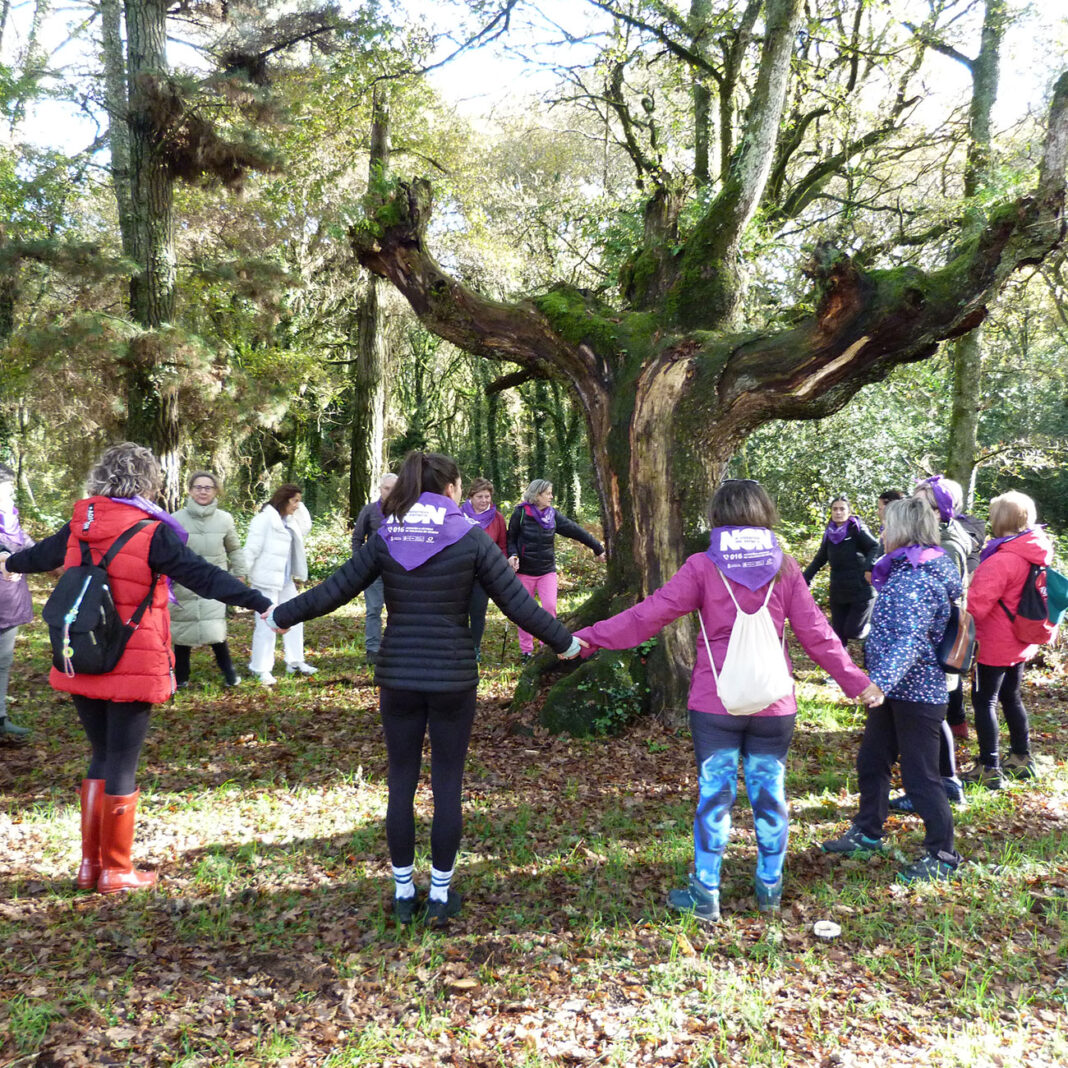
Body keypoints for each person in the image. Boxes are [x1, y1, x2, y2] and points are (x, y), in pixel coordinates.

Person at [266, 451, 581, 926]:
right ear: (451, 488)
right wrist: (569, 644)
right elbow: (519, 605)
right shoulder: (471, 538)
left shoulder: (388, 536)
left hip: (398, 677)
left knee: (401, 782)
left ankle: (400, 894)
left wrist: (281, 615)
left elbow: (337, 588)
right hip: (453, 677)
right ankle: (438, 895)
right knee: (447, 783)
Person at [572, 479, 882, 922]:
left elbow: (647, 616)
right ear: (763, 514)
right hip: (774, 704)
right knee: (770, 793)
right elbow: (817, 635)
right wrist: (857, 683)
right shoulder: (786, 567)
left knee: (715, 797)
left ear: (719, 517)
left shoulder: (703, 566)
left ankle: (706, 891)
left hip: (714, 703)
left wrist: (586, 639)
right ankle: (770, 887)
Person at [0, 443, 271, 893]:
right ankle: (117, 870)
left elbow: (36, 557)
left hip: (81, 652)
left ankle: (91, 866)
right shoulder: (151, 531)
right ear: (148, 483)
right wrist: (259, 601)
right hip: (132, 655)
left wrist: (7, 562)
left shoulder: (80, 524)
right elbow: (201, 575)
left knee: (100, 754)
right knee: (122, 760)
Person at [823, 496, 963, 883]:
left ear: (902, 530)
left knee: (921, 777)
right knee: (872, 761)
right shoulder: (906, 569)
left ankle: (943, 854)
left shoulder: (917, 578)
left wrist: (879, 683)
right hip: (894, 689)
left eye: (887, 526)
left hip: (916, 694)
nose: (881, 533)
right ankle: (868, 831)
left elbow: (911, 640)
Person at [959, 491, 1053, 788]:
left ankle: (989, 766)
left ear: (1000, 520)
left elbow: (977, 606)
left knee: (984, 700)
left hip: (994, 642)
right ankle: (1022, 758)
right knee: (1011, 697)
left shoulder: (1002, 559)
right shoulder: (1033, 551)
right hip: (1021, 638)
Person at [507, 479, 605, 660]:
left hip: (546, 570)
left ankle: (547, 647)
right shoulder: (520, 513)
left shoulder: (552, 515)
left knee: (550, 607)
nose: (551, 496)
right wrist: (513, 555)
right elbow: (510, 539)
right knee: (524, 612)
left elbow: (576, 531)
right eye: (548, 493)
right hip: (524, 572)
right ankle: (526, 651)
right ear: (537, 495)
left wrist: (597, 548)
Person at [170, 470, 246, 688]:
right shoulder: (175, 519)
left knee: (216, 631)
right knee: (183, 633)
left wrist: (239, 573)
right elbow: (169, 553)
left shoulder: (224, 519)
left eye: (208, 487)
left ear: (216, 491)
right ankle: (181, 678)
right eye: (198, 487)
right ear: (190, 490)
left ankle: (230, 676)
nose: (203, 491)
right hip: (184, 583)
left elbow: (234, 549)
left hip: (215, 582)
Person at [245, 483, 315, 685]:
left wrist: (299, 505)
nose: (297, 506)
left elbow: (306, 526)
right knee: (266, 624)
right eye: (294, 501)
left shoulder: (290, 521)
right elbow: (251, 549)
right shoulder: (264, 520)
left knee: (295, 617)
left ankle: (295, 661)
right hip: (265, 581)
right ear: (284, 500)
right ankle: (261, 668)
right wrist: (241, 575)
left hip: (285, 580)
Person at [803, 496, 880, 652]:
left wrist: (869, 568)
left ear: (849, 511)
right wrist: (804, 579)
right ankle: (839, 673)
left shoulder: (857, 529)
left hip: (861, 590)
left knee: (852, 631)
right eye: (835, 509)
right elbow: (820, 559)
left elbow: (875, 546)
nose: (838, 512)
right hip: (838, 590)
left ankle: (871, 629)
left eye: (842, 509)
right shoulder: (830, 533)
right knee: (838, 636)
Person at [0, 464, 33, 743]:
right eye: (6, 486)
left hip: (9, 601)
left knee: (3, 661)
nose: (10, 491)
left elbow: (25, 545)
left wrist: (57, 557)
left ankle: (1, 718)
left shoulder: (11, 517)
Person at [350, 473, 397, 666]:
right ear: (380, 489)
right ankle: (373, 649)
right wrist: (359, 562)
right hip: (373, 570)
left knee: (397, 610)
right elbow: (357, 538)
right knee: (374, 609)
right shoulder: (369, 510)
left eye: (394, 489)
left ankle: (394, 648)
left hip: (398, 569)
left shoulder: (407, 511)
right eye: (387, 488)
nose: (391, 492)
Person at [461, 477, 507, 661]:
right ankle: (459, 647)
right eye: (480, 496)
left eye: (487, 496)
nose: (484, 501)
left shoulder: (497, 518)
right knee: (459, 612)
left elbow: (503, 546)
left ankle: (475, 649)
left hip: (484, 574)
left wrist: (501, 565)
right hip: (461, 572)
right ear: (471, 496)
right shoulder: (458, 515)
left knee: (478, 612)